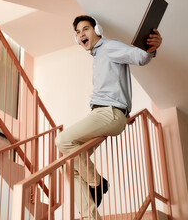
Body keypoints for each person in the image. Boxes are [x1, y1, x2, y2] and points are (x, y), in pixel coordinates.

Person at [55, 15, 162, 219]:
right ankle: (90, 217)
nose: (81, 34)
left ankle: (97, 182)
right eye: (78, 33)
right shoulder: (97, 55)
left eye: (85, 29)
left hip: (109, 112)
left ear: (98, 30)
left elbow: (139, 57)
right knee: (68, 166)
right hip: (105, 113)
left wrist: (152, 48)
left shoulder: (109, 47)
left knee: (62, 140)